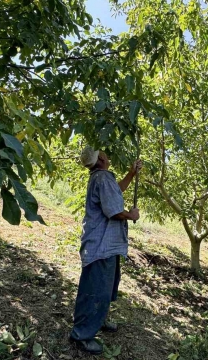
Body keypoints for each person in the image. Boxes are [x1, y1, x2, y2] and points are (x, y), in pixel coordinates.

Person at [69, 146, 142, 355]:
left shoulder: (102, 178)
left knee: (105, 287)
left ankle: (98, 320)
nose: (107, 155)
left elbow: (116, 191)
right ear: (101, 158)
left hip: (106, 245)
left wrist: (131, 173)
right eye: (104, 154)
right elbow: (114, 211)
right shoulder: (102, 178)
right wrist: (131, 215)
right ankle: (81, 334)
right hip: (101, 245)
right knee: (95, 289)